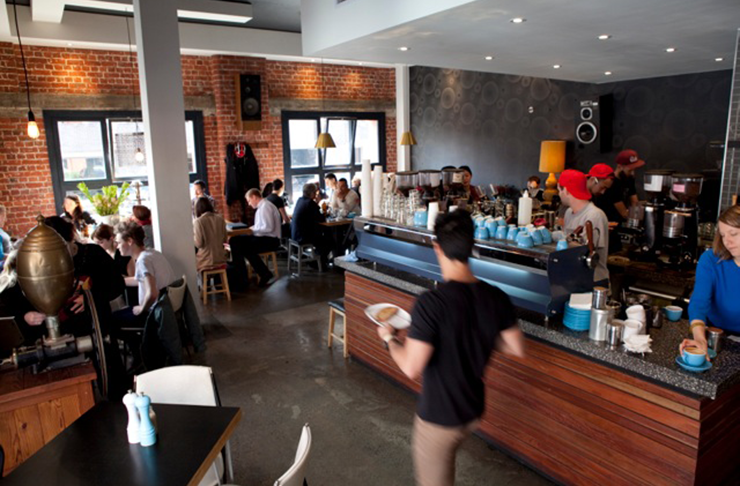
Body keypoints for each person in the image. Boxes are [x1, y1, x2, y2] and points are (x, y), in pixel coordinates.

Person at [376, 209, 525, 486]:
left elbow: (410, 367)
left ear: (436, 247)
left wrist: (389, 339)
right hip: (473, 410)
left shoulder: (431, 303)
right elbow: (516, 346)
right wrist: (473, 333)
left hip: (440, 418)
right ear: (472, 245)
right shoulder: (496, 296)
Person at [680, 207, 740, 353]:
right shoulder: (711, 260)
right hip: (715, 336)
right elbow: (699, 303)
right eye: (723, 235)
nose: (727, 241)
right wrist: (700, 339)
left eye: (734, 234)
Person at [114, 221, 177, 326]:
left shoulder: (143, 260)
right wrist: (118, 281)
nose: (117, 246)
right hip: (164, 307)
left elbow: (152, 294)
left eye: (119, 242)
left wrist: (142, 308)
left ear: (129, 241)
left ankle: (139, 342)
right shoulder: (152, 253)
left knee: (112, 320)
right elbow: (140, 279)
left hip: (153, 312)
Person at [558, 169, 610, 286]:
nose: (559, 194)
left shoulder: (595, 215)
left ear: (566, 190)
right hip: (575, 278)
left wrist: (562, 240)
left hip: (594, 282)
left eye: (559, 190)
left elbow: (585, 252)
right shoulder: (569, 212)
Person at [229, 189, 282, 287]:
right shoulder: (263, 207)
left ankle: (242, 278)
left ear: (254, 197)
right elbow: (262, 226)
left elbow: (268, 228)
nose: (249, 204)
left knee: (236, 242)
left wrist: (252, 230)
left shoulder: (265, 207)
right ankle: (259, 274)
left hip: (271, 240)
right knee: (237, 242)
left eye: (249, 200)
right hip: (265, 238)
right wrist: (252, 229)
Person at [596, 150, 644, 223]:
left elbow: (635, 202)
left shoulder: (629, 179)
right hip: (609, 223)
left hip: (621, 221)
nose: (633, 173)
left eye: (634, 170)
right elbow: (624, 213)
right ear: (619, 167)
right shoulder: (612, 183)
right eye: (630, 170)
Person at [291, 183, 331, 267]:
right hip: (303, 237)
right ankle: (318, 263)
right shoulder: (310, 203)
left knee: (325, 237)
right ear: (312, 193)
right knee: (329, 240)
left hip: (295, 234)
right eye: (316, 193)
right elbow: (321, 218)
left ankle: (317, 261)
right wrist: (318, 202)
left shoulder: (300, 200)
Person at [193, 196, 228, 271]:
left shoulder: (198, 221)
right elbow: (225, 240)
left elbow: (199, 243)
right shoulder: (220, 219)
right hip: (221, 258)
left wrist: (192, 237)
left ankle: (203, 282)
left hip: (206, 260)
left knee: (191, 260)